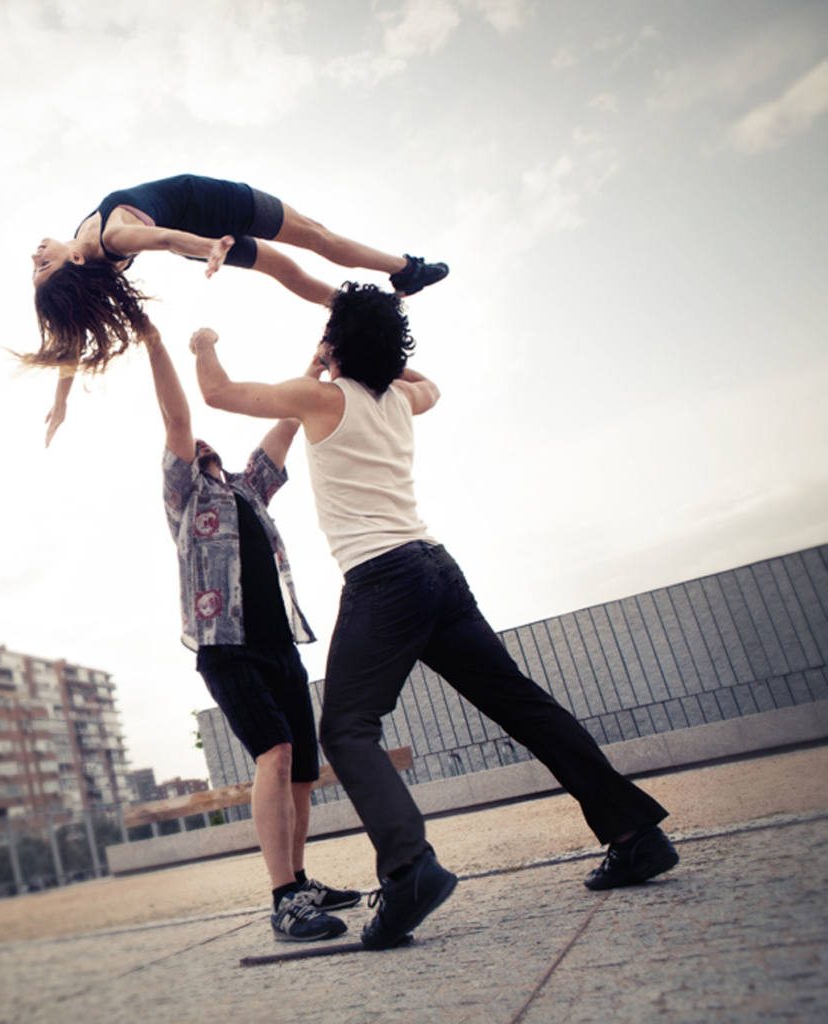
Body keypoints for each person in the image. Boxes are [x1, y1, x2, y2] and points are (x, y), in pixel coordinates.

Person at [187, 282, 680, 952]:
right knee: (522, 704)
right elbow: (430, 384)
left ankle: (407, 868)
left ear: (338, 346)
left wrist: (204, 343)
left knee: (347, 730)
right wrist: (370, 350)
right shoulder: (402, 399)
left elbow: (217, 394)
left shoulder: (324, 397)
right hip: (438, 570)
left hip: (384, 577)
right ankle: (634, 834)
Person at [138, 312, 359, 944]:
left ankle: (302, 878)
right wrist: (161, 344)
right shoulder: (185, 497)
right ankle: (283, 898)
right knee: (275, 753)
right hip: (225, 646)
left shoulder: (247, 491)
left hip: (278, 641)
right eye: (195, 447)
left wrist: (318, 362)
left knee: (301, 773)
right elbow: (177, 419)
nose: (200, 444)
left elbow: (289, 422)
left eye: (208, 445)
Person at [27, 173, 448, 445]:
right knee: (310, 246)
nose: (36, 256)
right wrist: (208, 248)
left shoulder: (83, 248)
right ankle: (400, 276)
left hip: (203, 236)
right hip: (216, 211)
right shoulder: (114, 238)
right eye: (43, 264)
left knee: (299, 258)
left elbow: (70, 342)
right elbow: (166, 239)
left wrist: (61, 402)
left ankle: (381, 292)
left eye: (37, 265)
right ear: (77, 261)